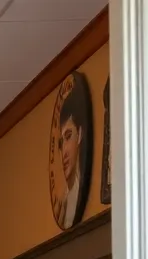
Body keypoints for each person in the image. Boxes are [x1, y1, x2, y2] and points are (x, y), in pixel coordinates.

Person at [55, 77, 89, 229]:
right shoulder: (64, 204)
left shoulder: (77, 196)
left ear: (80, 134)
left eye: (69, 136)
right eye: (62, 143)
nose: (64, 152)